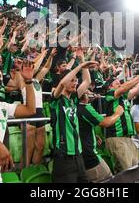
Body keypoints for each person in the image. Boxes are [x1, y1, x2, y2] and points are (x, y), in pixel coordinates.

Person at [51, 51, 98, 183]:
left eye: (76, 81)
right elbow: (62, 83)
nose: (75, 83)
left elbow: (87, 81)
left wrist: (84, 63)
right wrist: (79, 65)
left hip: (78, 154)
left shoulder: (74, 99)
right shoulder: (56, 99)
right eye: (72, 80)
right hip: (63, 157)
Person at [104, 66, 139, 173]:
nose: (120, 84)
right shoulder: (110, 94)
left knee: (136, 169)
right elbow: (125, 87)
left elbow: (137, 89)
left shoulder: (123, 97)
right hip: (117, 138)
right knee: (125, 171)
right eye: (117, 83)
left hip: (128, 138)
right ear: (110, 87)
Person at [77, 91, 124, 183]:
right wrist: (117, 114)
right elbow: (105, 123)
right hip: (89, 155)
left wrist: (94, 135)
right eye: (87, 91)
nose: (91, 93)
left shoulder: (73, 107)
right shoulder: (85, 108)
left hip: (78, 156)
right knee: (108, 179)